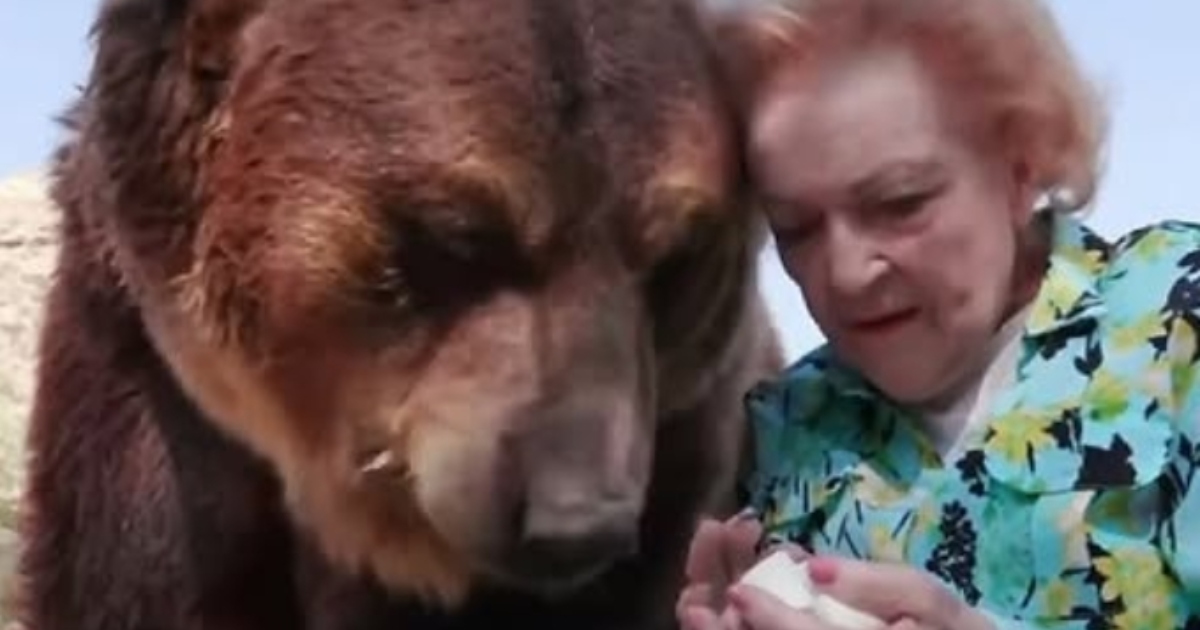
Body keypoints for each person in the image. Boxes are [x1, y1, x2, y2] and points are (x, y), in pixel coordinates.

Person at [679, 0, 1200, 628]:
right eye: (795, 228)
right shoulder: (783, 429)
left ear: (1022, 165)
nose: (844, 273)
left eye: (900, 202)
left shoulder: (1177, 319)